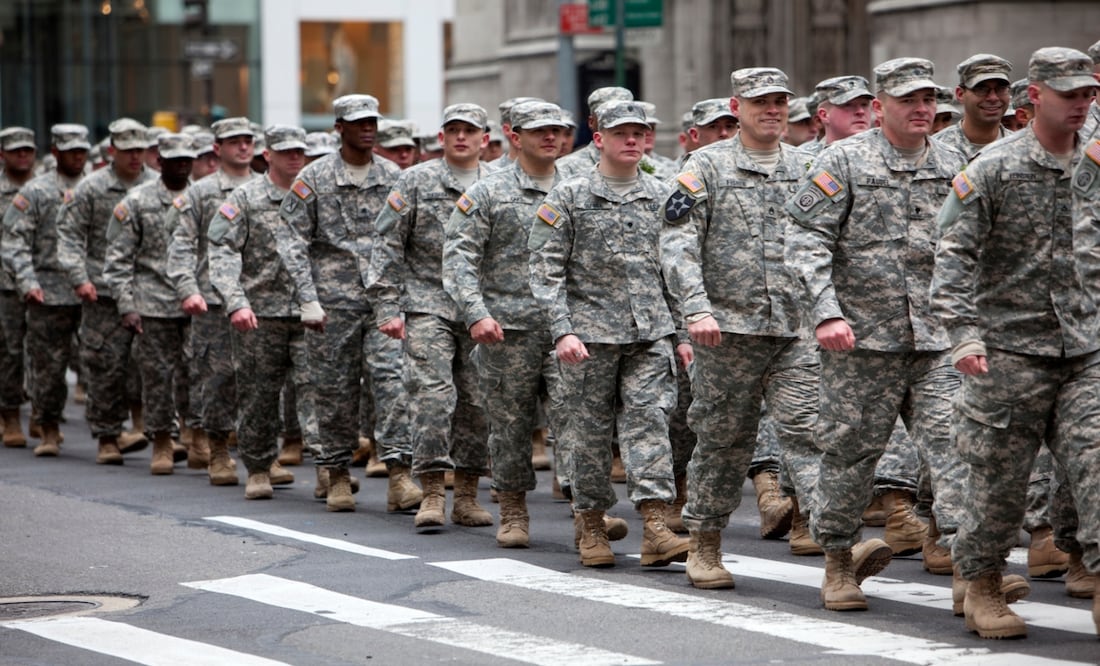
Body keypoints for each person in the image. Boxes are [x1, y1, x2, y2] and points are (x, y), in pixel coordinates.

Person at [784, 58, 987, 612]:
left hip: (939, 339)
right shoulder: (842, 161)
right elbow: (805, 242)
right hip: (861, 342)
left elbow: (979, 240)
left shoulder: (957, 160)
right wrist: (825, 313)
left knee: (958, 450)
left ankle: (974, 576)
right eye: (907, 101)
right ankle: (838, 561)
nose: (922, 110)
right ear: (879, 107)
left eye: (928, 100)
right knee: (850, 455)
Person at [932, 46, 1100, 639]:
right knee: (998, 481)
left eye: (1088, 93)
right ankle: (980, 585)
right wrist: (963, 338)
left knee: (1096, 465)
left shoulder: (1098, 164)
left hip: (1085, 350)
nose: (1082, 103)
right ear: (1036, 96)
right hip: (1006, 354)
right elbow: (951, 260)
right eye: (1070, 93)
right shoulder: (993, 168)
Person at [661, 67, 831, 588]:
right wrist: (696, 308)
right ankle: (705, 545)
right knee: (723, 440)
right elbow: (676, 243)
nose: (773, 110)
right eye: (761, 102)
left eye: (781, 101)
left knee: (809, 431)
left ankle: (839, 548)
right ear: (737, 108)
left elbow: (828, 237)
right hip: (726, 333)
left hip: (794, 330)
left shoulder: (809, 167)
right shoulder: (704, 167)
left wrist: (829, 307)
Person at [528, 100, 689, 569]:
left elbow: (676, 269)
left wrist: (680, 332)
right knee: (588, 435)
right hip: (588, 339)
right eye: (623, 134)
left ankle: (656, 524)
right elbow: (544, 271)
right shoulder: (568, 197)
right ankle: (591, 522)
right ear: (599, 139)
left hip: (649, 334)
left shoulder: (664, 195)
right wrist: (562, 331)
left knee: (649, 422)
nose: (634, 141)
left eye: (641, 133)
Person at [277, 94, 418, 513]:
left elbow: (407, 239)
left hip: (382, 304)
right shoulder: (314, 177)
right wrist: (307, 299)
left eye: (372, 121)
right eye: (358, 122)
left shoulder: (395, 175)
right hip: (331, 305)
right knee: (334, 391)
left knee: (392, 383)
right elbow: (291, 240)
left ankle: (398, 473)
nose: (368, 128)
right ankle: (337, 474)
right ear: (339, 127)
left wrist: (403, 297)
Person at [443, 100, 568, 547]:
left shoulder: (580, 187)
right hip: (507, 329)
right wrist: (476, 313)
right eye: (539, 130)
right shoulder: (487, 191)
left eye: (557, 129)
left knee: (577, 419)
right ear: (514, 137)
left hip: (566, 328)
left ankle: (586, 513)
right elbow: (458, 258)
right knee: (510, 426)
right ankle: (513, 510)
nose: (550, 137)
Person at [368, 103, 494, 530]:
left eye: (469, 131)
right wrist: (388, 307)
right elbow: (387, 244)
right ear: (440, 139)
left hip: (482, 310)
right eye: (453, 130)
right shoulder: (416, 181)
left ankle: (469, 494)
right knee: (433, 398)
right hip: (428, 305)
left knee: (477, 404)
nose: (461, 137)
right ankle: (434, 492)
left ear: (485, 139)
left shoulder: (498, 184)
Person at [208, 125, 312, 500]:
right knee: (258, 394)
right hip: (260, 313)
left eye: (300, 151)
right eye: (286, 152)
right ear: (267, 155)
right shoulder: (246, 197)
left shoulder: (314, 194)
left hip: (309, 313)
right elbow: (221, 249)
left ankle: (330, 469)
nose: (295, 157)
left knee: (317, 390)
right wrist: (235, 301)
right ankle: (257, 468)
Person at [57, 118, 156, 463]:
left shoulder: (157, 185)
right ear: (112, 150)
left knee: (152, 365)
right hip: (102, 291)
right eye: (127, 151)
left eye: (140, 151)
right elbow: (68, 236)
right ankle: (108, 436)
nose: (134, 157)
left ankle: (156, 431)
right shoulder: (91, 188)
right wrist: (78, 277)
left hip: (149, 290)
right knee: (104, 363)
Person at [166, 117, 259, 485]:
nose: (243, 147)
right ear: (217, 149)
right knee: (218, 378)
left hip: (261, 299)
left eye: (248, 140)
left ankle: (259, 454)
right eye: (234, 141)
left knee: (262, 380)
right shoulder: (200, 193)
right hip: (213, 301)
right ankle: (218, 450)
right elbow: (181, 245)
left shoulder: (267, 188)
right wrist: (187, 289)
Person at [103, 133, 196, 474]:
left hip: (197, 302)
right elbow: (118, 257)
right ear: (160, 162)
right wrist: (126, 305)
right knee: (157, 377)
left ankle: (195, 435)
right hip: (153, 302)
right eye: (177, 159)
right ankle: (161, 442)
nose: (184, 164)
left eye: (189, 158)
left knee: (198, 373)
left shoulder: (202, 196)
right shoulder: (137, 201)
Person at [1, 125, 89, 458]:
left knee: (99, 359)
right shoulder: (35, 192)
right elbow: (13, 240)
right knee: (24, 356)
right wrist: (27, 281)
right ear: (56, 153)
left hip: (87, 289)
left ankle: (109, 426)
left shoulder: (93, 187)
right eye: (70, 151)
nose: (78, 157)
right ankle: (26, 419)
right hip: (32, 287)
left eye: (82, 150)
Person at [0, 127, 37, 448]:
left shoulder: (45, 189)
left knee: (43, 351)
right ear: (3, 155)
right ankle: (10, 415)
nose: (23, 155)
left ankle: (42, 411)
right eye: (16, 151)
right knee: (9, 351)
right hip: (5, 285)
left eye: (27, 150)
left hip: (44, 283)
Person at [934, 54, 1013, 159]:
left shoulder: (1024, 148)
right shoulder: (936, 149)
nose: (993, 98)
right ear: (960, 94)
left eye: (1001, 89)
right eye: (981, 89)